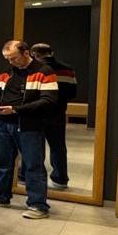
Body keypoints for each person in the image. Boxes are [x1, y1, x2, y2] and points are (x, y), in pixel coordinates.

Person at [0, 39, 59, 218]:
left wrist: (16, 109)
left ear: (26, 53)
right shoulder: (7, 72)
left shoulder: (44, 71)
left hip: (29, 126)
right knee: (3, 164)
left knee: (33, 166)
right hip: (2, 123)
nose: (11, 62)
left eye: (14, 58)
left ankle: (38, 205)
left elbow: (49, 101)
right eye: (7, 59)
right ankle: (0, 196)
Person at [30, 42, 77, 188]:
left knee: (34, 146)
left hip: (37, 112)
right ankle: (60, 178)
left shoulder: (36, 69)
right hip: (58, 112)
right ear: (52, 53)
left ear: (34, 54)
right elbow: (72, 93)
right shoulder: (67, 69)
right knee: (58, 146)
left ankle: (32, 176)